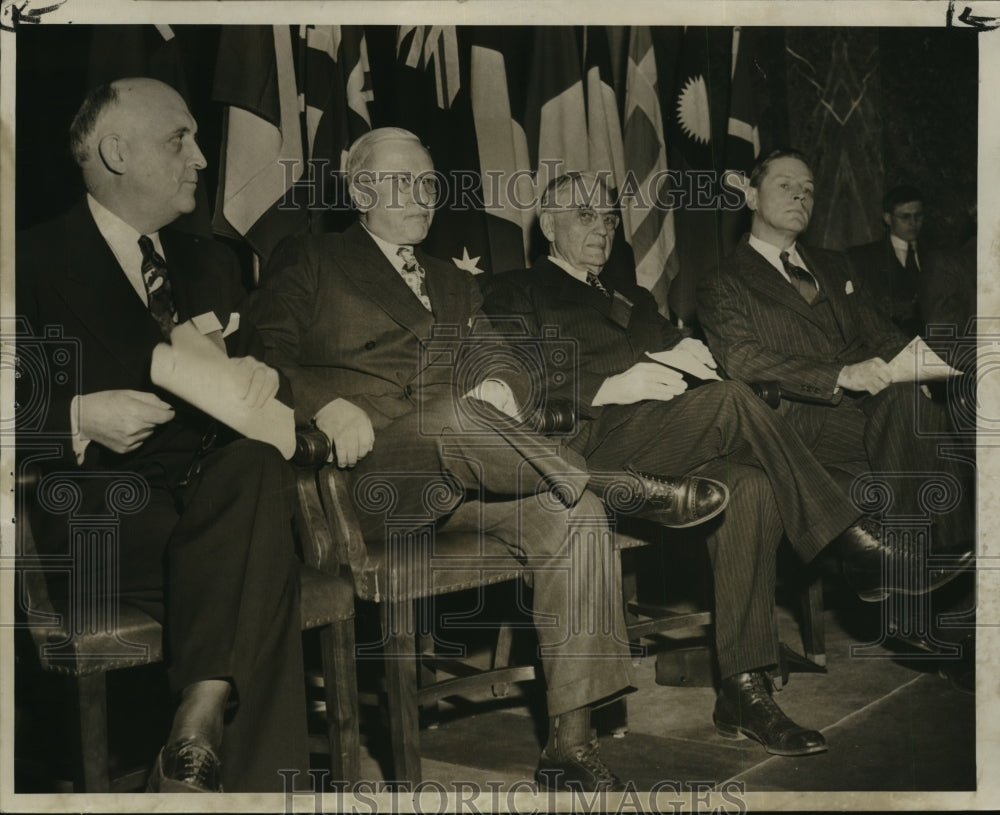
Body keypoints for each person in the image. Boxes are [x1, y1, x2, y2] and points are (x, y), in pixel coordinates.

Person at [245, 128, 727, 792]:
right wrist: (324, 405)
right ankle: (617, 482)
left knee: (575, 512)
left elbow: (504, 355)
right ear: (359, 191)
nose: (422, 196)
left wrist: (501, 384)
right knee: (460, 418)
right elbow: (263, 357)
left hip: (477, 471)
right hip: (369, 483)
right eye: (402, 182)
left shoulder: (451, 280)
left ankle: (571, 743)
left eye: (429, 183)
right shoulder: (311, 258)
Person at [480, 170, 969, 758]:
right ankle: (850, 541)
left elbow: (690, 366)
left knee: (754, 486)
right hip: (590, 450)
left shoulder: (631, 296)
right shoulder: (516, 290)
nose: (603, 228)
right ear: (549, 225)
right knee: (735, 399)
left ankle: (743, 685)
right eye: (585, 215)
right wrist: (609, 384)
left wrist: (692, 357)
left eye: (610, 217)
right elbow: (517, 383)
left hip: (670, 438)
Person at [16, 78, 308, 792]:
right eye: (181, 138)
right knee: (258, 566)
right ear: (116, 151)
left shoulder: (210, 260)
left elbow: (272, 380)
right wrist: (79, 415)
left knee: (260, 472)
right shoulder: (24, 260)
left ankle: (194, 727)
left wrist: (267, 383)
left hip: (217, 501)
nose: (203, 158)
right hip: (101, 510)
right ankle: (218, 742)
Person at [696, 149, 974, 578]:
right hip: (799, 419)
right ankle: (923, 582)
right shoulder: (723, 279)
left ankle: (920, 575)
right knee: (923, 426)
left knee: (921, 405)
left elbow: (878, 332)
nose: (800, 197)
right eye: (785, 186)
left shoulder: (834, 263)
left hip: (869, 408)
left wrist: (919, 366)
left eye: (807, 190)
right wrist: (839, 375)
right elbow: (742, 357)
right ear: (750, 197)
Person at [848, 184, 930, 336]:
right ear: (887, 218)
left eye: (918, 216)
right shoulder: (863, 257)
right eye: (905, 217)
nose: (913, 223)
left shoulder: (937, 254)